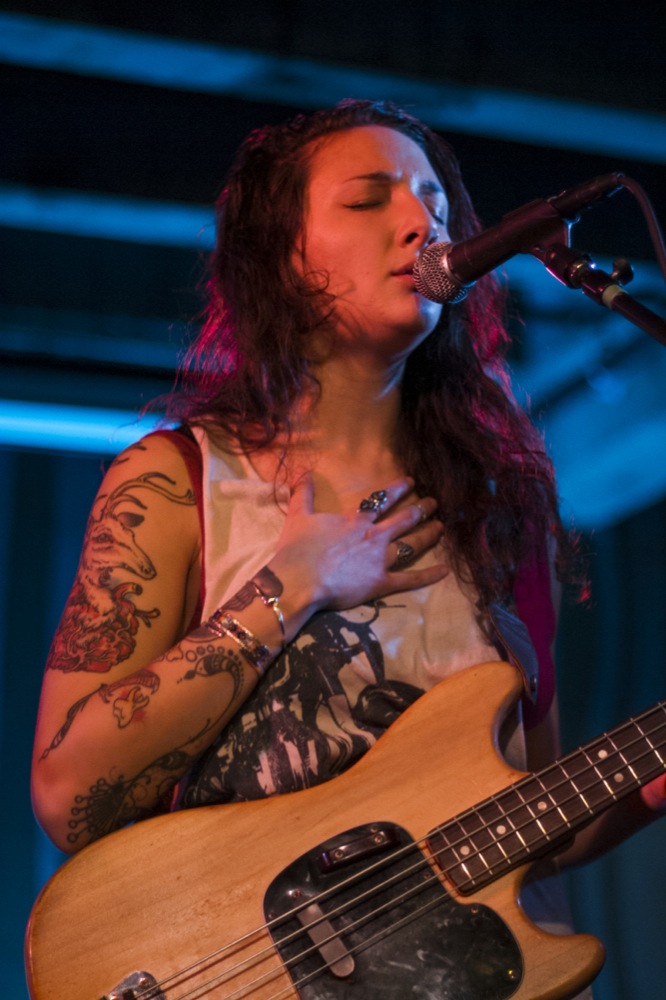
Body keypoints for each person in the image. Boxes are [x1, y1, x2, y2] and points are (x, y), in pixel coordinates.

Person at [31, 100, 664, 995]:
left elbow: (527, 823)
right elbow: (71, 795)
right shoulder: (176, 482)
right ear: (283, 256)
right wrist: (294, 583)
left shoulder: (504, 518)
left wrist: (644, 791)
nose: (420, 224)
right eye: (370, 200)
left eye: (436, 207)